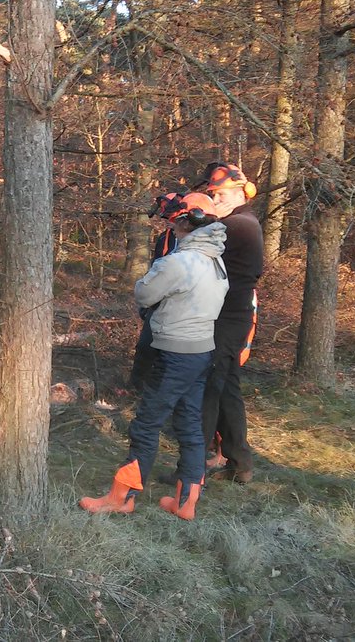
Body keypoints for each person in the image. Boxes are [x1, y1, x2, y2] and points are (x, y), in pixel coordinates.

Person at [80, 193, 227, 520]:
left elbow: (145, 292)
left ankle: (123, 496)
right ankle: (186, 502)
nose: (172, 228)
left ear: (189, 222)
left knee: (146, 424)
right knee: (190, 425)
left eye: (175, 222)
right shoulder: (217, 261)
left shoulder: (179, 262)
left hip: (174, 353)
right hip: (201, 352)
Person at [195, 162, 264, 484]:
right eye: (211, 195)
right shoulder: (239, 222)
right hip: (227, 315)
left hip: (226, 318)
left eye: (219, 194)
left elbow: (194, 246)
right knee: (226, 390)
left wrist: (193, 215)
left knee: (209, 387)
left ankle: (194, 467)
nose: (215, 200)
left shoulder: (238, 224)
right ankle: (240, 462)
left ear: (240, 192)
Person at [128, 191, 183, 392]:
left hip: (177, 305)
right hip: (157, 301)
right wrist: (147, 300)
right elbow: (156, 268)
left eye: (171, 218)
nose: (167, 222)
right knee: (145, 347)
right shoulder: (165, 238)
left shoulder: (190, 246)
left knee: (166, 351)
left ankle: (157, 390)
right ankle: (136, 388)